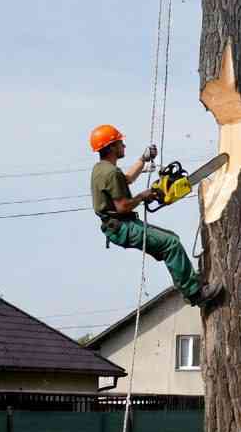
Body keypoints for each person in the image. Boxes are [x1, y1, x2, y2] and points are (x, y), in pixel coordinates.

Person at [88, 124, 222, 307]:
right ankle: (195, 294)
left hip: (118, 225)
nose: (124, 146)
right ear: (111, 147)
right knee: (171, 244)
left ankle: (189, 281)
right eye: (120, 143)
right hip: (122, 226)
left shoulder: (101, 169)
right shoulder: (111, 173)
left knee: (171, 239)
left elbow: (127, 179)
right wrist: (142, 196)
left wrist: (143, 159)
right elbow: (122, 207)